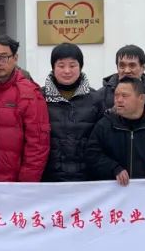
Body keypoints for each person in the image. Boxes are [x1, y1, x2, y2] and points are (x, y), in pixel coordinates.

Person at [0, 34, 49, 182]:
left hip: (14, 183)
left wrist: (25, 184)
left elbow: (37, 145)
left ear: (15, 58)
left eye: (4, 57)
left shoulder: (29, 94)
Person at [41, 43, 104, 183]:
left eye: (72, 65)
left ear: (80, 67)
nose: (67, 71)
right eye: (61, 66)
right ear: (53, 67)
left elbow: (102, 141)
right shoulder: (40, 97)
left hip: (87, 178)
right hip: (49, 178)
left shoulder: (96, 99)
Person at [100, 44, 145, 116]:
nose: (127, 71)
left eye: (132, 66)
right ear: (117, 68)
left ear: (142, 68)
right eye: (122, 66)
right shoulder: (102, 95)